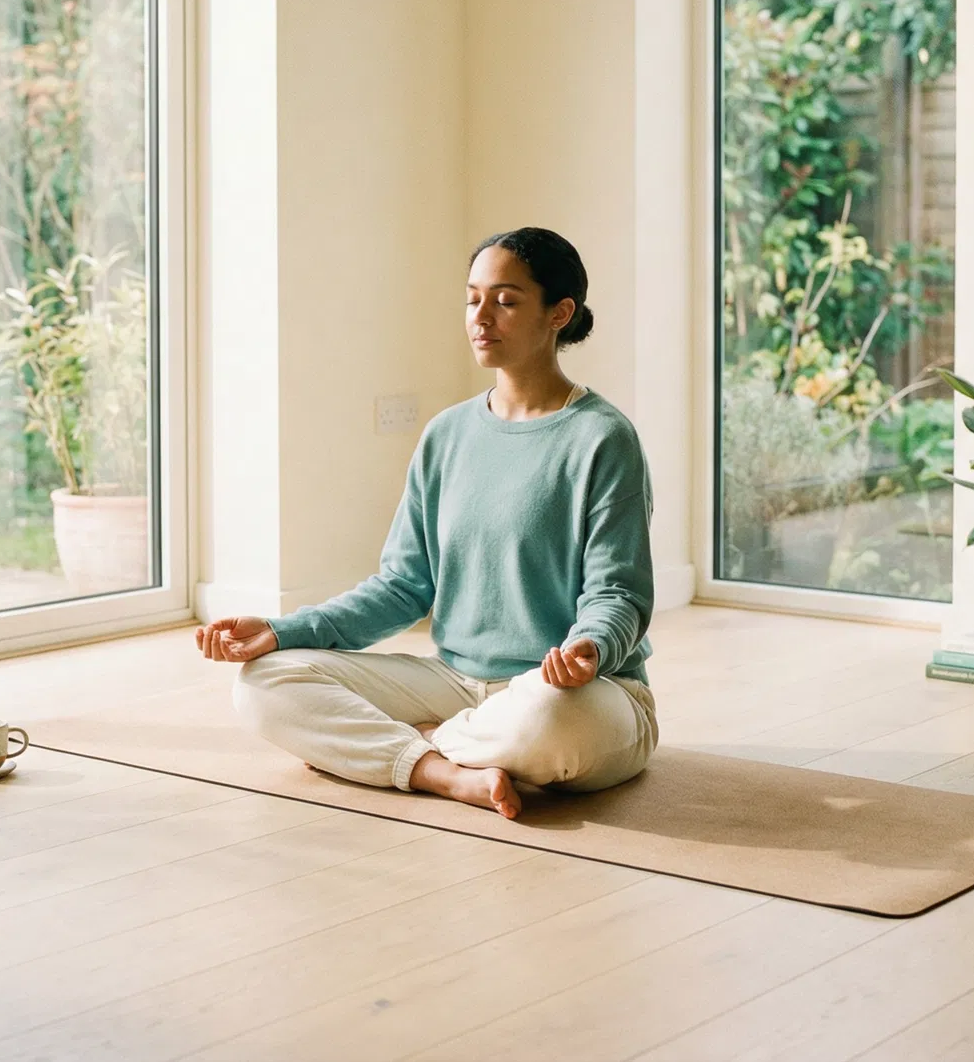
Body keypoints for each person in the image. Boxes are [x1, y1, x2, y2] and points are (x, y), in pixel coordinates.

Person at [195, 227, 656, 821]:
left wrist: (588, 649)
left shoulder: (603, 438)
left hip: (576, 695)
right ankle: (442, 772)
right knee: (264, 681)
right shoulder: (447, 435)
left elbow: (617, 592)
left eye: (506, 301)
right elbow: (403, 587)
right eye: (472, 299)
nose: (481, 317)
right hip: (457, 679)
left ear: (558, 314)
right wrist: (284, 630)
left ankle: (417, 738)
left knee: (551, 720)